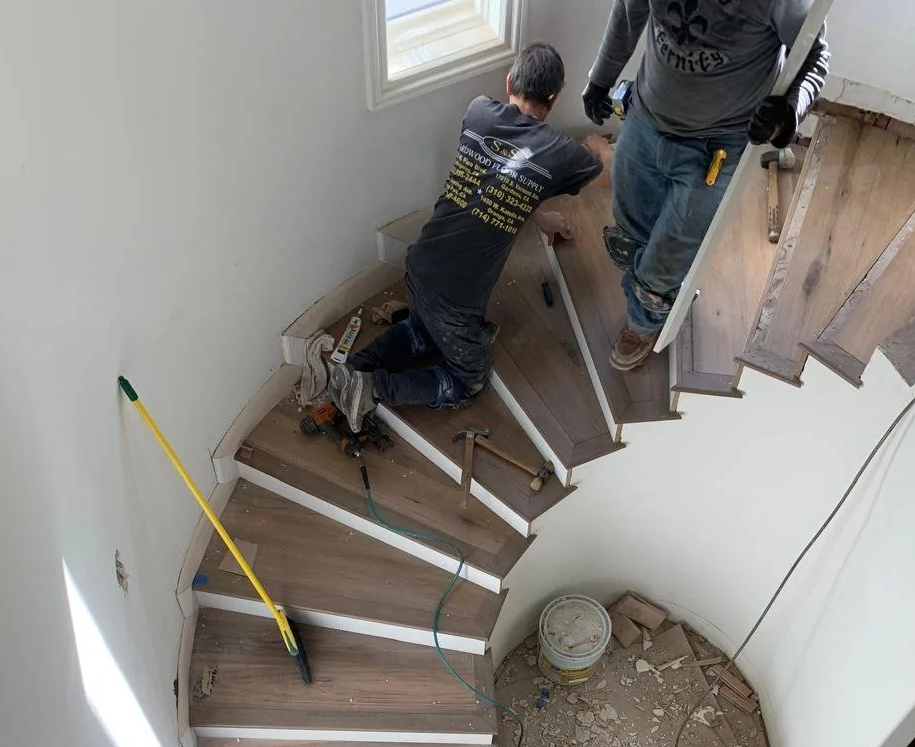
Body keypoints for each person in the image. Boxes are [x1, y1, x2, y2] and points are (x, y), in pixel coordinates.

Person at [322, 41, 604, 431]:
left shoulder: (479, 111)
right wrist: (599, 147)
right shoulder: (562, 154)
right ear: (554, 98)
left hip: (420, 263)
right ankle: (371, 386)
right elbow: (594, 171)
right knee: (467, 379)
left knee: (424, 331)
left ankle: (351, 369)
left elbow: (500, 182)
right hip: (454, 300)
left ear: (509, 82)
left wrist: (541, 219)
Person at [583, 0, 830, 371]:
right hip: (646, 119)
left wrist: (789, 110)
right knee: (631, 227)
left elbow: (815, 57)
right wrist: (601, 78)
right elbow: (629, 10)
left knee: (667, 258)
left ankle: (644, 319)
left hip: (717, 145)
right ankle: (655, 286)